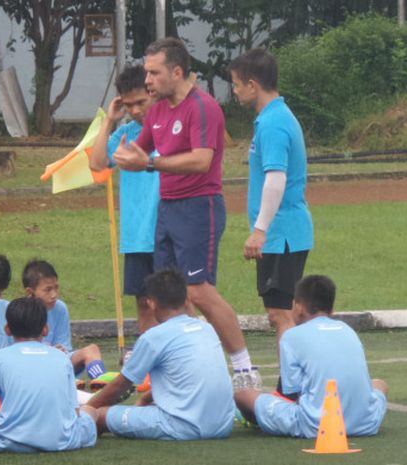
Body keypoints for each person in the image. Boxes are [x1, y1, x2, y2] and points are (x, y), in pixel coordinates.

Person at [112, 37, 257, 386]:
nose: (147, 80)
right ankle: (196, 363)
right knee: (168, 295)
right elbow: (139, 151)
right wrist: (123, 154)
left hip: (199, 206)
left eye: (153, 72)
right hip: (168, 208)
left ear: (176, 72)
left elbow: (202, 160)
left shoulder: (203, 107)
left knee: (198, 291)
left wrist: (147, 162)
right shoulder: (158, 109)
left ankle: (244, 368)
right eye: (146, 72)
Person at [234, 275, 388, 438]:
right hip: (366, 423)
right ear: (332, 308)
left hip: (317, 425)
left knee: (243, 395)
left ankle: (257, 422)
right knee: (379, 384)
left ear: (299, 307)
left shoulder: (291, 336)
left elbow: (292, 393)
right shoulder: (348, 330)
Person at [229, 48, 314, 342]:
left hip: (281, 234)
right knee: (287, 313)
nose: (235, 91)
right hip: (285, 232)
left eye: (237, 84)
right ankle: (294, 384)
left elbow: (276, 179)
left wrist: (260, 231)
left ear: (252, 84)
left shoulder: (273, 123)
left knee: (282, 315)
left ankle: (289, 387)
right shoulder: (274, 117)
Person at [88, 270, 233, 440]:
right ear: (186, 300)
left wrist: (87, 408)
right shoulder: (206, 329)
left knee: (99, 414)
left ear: (151, 304)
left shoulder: (153, 337)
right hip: (223, 425)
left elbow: (122, 383)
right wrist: (144, 400)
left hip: (182, 427)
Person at [0, 297, 98, 452]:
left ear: (7, 329)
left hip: (7, 440)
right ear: (45, 329)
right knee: (90, 412)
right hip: (61, 440)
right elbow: (75, 413)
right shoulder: (62, 358)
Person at [89, 65, 161, 334]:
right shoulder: (125, 133)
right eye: (129, 105)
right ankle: (148, 371)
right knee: (144, 303)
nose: (135, 110)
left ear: (153, 93)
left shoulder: (169, 126)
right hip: (136, 235)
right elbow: (97, 165)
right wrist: (110, 120)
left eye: (141, 102)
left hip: (167, 231)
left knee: (176, 302)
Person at [22, 259, 106, 383]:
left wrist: (60, 351)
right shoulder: (20, 312)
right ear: (30, 292)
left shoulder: (60, 308)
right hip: (31, 366)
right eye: (47, 290)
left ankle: (101, 384)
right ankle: (71, 386)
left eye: (56, 287)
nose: (54, 294)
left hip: (57, 360)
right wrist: (49, 352)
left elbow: (64, 347)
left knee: (91, 350)